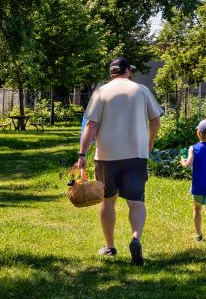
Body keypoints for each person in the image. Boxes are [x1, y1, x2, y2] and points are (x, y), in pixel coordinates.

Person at [78, 57, 163, 265]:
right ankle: (135, 238)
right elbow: (156, 120)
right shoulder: (141, 90)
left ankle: (110, 246)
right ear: (128, 71)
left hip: (107, 156)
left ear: (112, 73)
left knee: (107, 200)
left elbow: (90, 125)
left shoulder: (100, 92)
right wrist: (149, 143)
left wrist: (82, 154)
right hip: (136, 154)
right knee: (136, 201)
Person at [182, 119, 206, 250]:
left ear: (198, 132)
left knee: (197, 209)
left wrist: (182, 160)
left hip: (198, 186)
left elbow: (187, 164)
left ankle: (198, 234)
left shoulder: (193, 148)